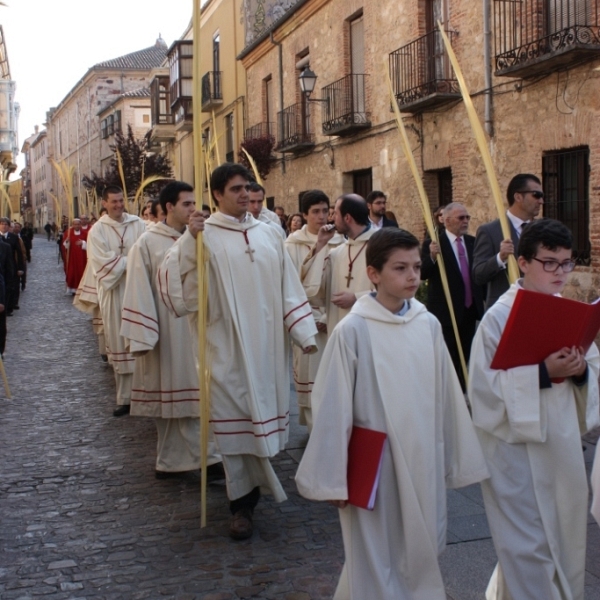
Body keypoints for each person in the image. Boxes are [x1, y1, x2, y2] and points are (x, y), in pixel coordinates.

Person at [296, 228, 489, 599]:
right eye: (400, 268)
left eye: (416, 267)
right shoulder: (353, 330)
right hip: (374, 460)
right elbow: (332, 404)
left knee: (421, 545)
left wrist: (453, 453)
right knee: (374, 552)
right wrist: (335, 475)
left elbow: (447, 393)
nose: (413, 276)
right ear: (374, 274)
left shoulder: (427, 324)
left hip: (422, 454)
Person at [158, 163, 317, 540]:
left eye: (247, 188)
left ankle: (252, 492)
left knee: (255, 421)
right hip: (223, 345)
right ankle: (241, 505)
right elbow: (175, 287)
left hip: (265, 346)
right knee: (231, 424)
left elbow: (287, 284)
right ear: (216, 195)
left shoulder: (268, 233)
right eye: (235, 189)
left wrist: (303, 330)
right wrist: (187, 242)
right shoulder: (204, 234)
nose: (245, 195)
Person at [468, 218, 600, 600]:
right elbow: (482, 392)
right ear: (523, 262)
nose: (560, 272)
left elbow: (592, 373)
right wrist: (543, 372)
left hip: (559, 446)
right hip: (514, 452)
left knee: (562, 538)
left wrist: (578, 373)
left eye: (566, 262)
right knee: (527, 549)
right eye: (550, 262)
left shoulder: (569, 311)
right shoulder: (496, 318)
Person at [121, 181, 221, 478]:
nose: (195, 210)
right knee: (176, 397)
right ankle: (192, 460)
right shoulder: (147, 243)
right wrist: (144, 334)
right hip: (168, 331)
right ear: (168, 208)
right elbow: (138, 288)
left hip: (201, 327)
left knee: (202, 395)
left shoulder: (203, 236)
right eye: (187, 204)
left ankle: (186, 459)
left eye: (196, 204)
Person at [285, 190, 344, 430]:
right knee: (310, 374)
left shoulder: (340, 241)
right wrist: (314, 316)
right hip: (306, 317)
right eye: (315, 212)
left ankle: (333, 426)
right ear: (304, 214)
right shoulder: (292, 244)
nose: (322, 217)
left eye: (325, 210)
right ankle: (313, 428)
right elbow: (291, 284)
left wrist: (328, 315)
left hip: (334, 315)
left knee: (332, 375)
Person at [86, 185, 146, 416]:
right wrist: (131, 261)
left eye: (121, 200)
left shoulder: (138, 224)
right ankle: (125, 398)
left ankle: (144, 395)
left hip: (138, 289)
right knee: (120, 341)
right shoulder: (97, 231)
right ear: (104, 203)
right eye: (114, 201)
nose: (119, 205)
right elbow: (100, 261)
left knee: (139, 339)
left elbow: (146, 252)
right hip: (114, 292)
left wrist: (128, 261)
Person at [421, 203, 484, 391]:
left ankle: (467, 391)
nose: (465, 221)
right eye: (461, 218)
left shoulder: (473, 243)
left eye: (467, 218)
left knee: (469, 355)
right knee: (449, 357)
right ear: (447, 220)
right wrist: (432, 257)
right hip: (446, 311)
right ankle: (451, 392)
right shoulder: (433, 243)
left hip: (470, 310)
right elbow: (423, 273)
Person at [302, 194, 376, 336]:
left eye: (335, 213)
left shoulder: (382, 247)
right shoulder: (337, 253)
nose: (331, 218)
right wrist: (320, 244)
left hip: (369, 334)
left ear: (347, 218)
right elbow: (313, 290)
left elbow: (394, 292)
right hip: (338, 333)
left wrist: (356, 297)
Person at [473, 173, 544, 309]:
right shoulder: (490, 231)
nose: (541, 201)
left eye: (542, 196)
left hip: (537, 306)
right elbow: (478, 275)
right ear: (518, 197)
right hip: (504, 310)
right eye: (536, 195)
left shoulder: (542, 230)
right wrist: (500, 258)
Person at [0, 218, 24, 314]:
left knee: (10, 287)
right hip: (1, 267)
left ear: (9, 226)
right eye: (2, 224)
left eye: (6, 224)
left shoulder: (13, 237)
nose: (4, 226)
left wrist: (20, 268)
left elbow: (19, 253)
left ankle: (9, 307)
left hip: (11, 267)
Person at [63, 218, 88, 294]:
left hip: (82, 257)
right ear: (73, 225)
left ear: (80, 225)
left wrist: (83, 243)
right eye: (75, 224)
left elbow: (89, 243)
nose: (76, 226)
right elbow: (65, 246)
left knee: (82, 272)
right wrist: (67, 242)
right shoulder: (68, 233)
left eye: (78, 224)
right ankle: (73, 289)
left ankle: (82, 288)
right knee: (72, 272)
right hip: (72, 257)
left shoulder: (85, 233)